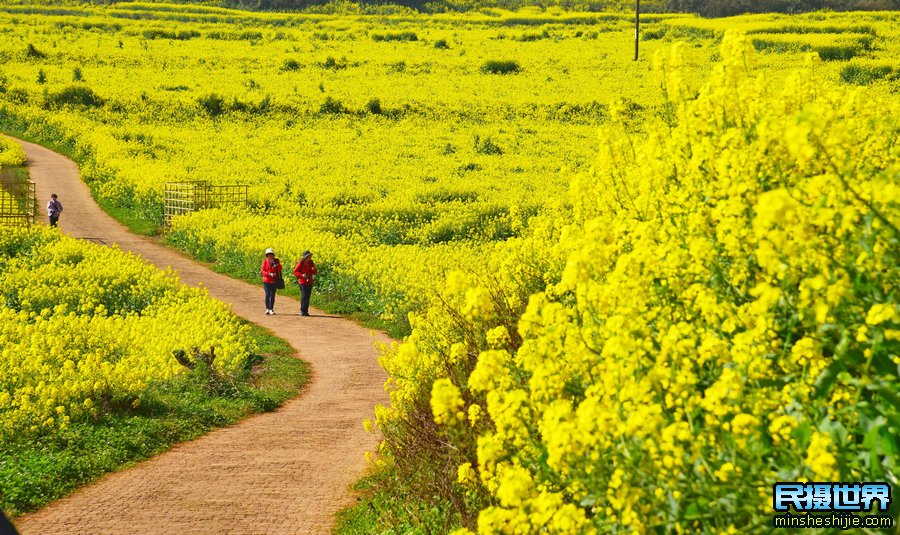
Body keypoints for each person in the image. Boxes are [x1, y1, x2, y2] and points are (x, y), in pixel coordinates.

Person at [293, 250, 318, 317]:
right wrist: (302, 275)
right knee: (304, 296)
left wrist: (314, 269)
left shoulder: (311, 262)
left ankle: (306, 311)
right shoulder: (301, 262)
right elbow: (295, 272)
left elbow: (315, 272)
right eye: (309, 256)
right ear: (305, 257)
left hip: (309, 281)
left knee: (307, 296)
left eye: (310, 256)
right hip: (302, 281)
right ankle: (302, 310)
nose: (310, 257)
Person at [261, 248, 282, 315]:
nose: (270, 256)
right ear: (267, 256)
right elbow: (262, 271)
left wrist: (276, 265)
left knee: (272, 295)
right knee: (267, 294)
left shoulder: (276, 261)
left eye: (271, 255)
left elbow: (280, 268)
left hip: (274, 281)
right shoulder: (264, 262)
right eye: (269, 255)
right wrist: (269, 274)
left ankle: (271, 309)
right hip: (266, 281)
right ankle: (267, 308)